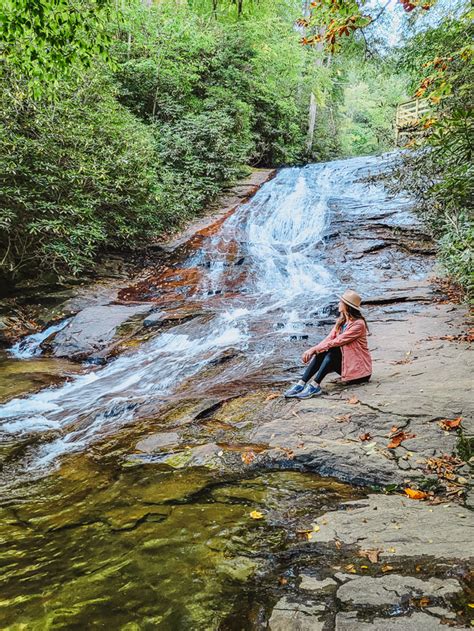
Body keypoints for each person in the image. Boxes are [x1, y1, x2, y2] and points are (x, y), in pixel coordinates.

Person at [284, 289, 372, 399]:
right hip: (348, 365)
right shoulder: (342, 321)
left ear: (347, 306)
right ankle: (301, 383)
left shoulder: (359, 324)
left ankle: (315, 385)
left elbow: (338, 341)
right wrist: (314, 349)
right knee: (323, 350)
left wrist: (313, 350)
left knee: (332, 351)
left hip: (360, 373)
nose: (338, 303)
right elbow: (329, 338)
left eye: (341, 302)